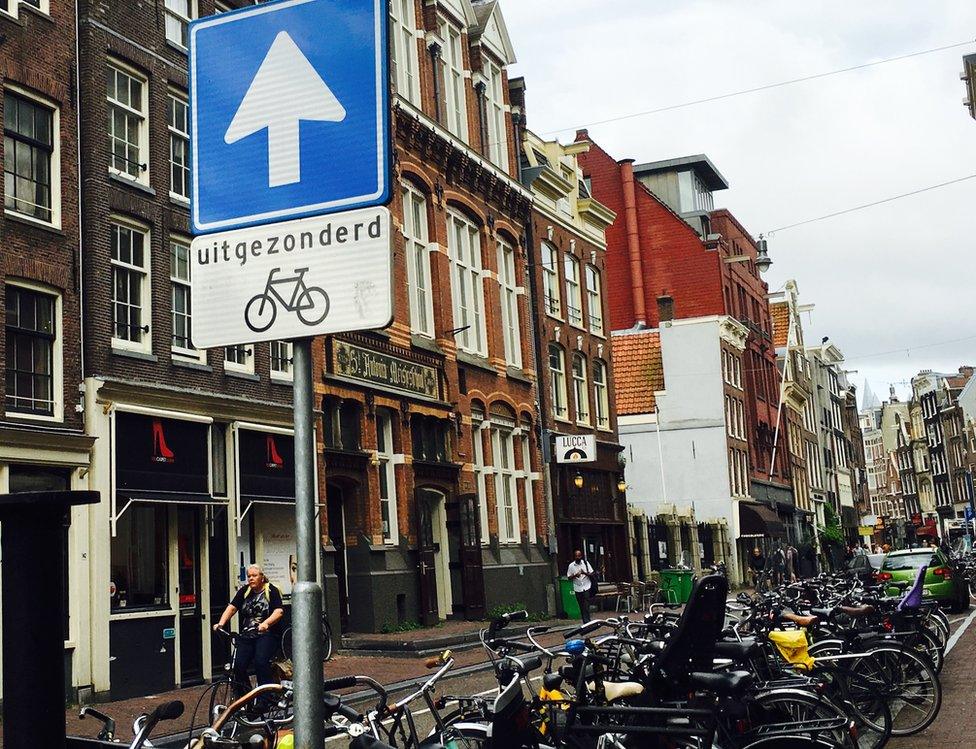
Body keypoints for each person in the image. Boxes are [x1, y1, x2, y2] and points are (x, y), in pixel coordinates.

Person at [214, 564, 285, 700]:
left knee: (260, 661)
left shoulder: (271, 590)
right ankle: (246, 698)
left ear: (262, 577)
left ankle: (266, 698)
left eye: (254, 575)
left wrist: (266, 623)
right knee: (238, 666)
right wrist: (221, 623)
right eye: (249, 576)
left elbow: (279, 611)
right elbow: (232, 608)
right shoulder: (245, 591)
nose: (251, 578)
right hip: (247, 635)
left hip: (267, 635)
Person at [567, 550, 594, 623]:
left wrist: (584, 573)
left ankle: (587, 621)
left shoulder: (585, 563)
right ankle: (584, 620)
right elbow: (569, 577)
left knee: (586, 604)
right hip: (577, 588)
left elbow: (592, 574)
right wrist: (575, 575)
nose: (577, 557)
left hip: (586, 586)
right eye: (576, 556)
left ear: (581, 556)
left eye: (579, 556)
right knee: (581, 605)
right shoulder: (571, 566)